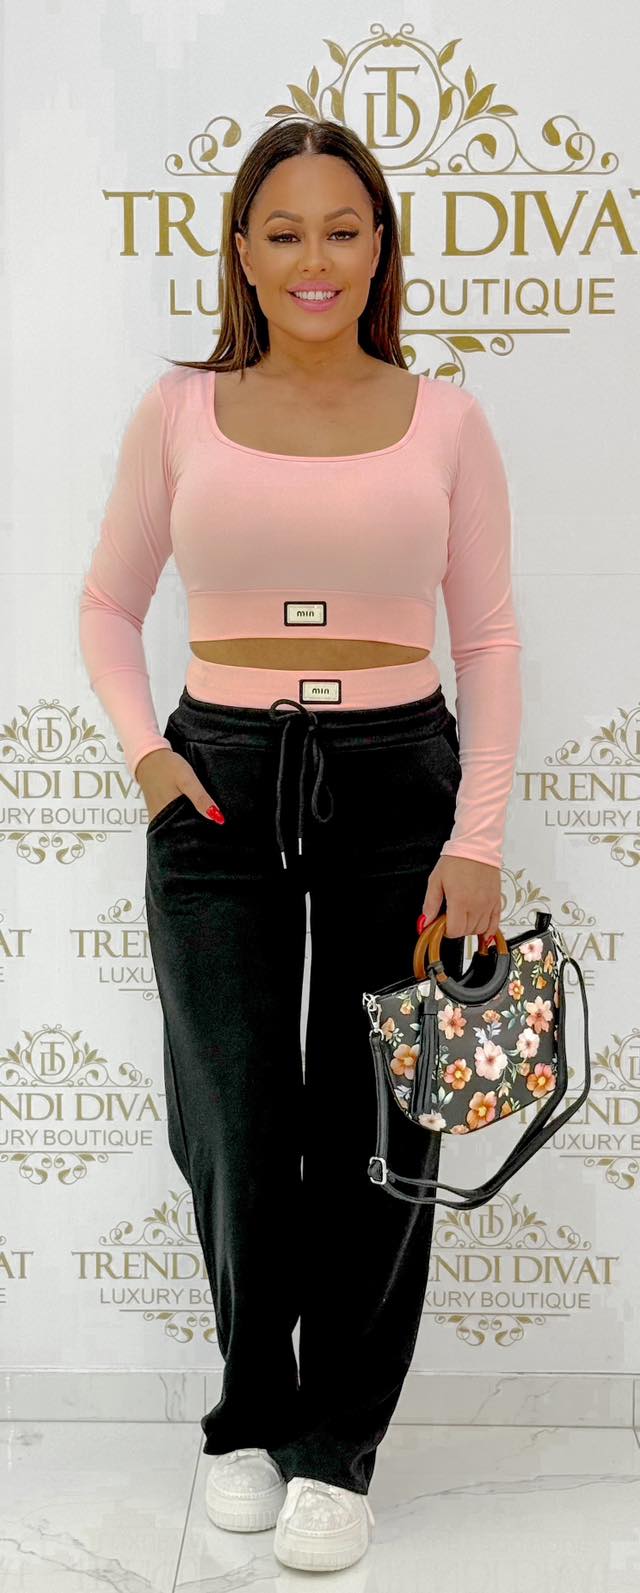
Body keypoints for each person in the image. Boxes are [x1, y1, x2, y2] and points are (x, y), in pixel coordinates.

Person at [78, 116, 522, 1574]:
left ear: (380, 246)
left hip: (400, 780)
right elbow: (106, 605)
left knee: (386, 1114)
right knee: (236, 1116)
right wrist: (152, 759)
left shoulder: (447, 419)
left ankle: (340, 1441)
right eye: (283, 231)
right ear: (244, 253)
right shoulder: (180, 410)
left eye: (342, 228)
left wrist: (477, 837)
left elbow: (491, 635)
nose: (314, 257)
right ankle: (250, 1415)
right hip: (218, 776)